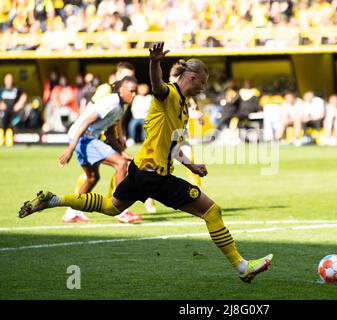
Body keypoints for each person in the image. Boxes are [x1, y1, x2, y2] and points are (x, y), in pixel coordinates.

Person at [19, 42, 273, 283]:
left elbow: (171, 144)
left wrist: (190, 166)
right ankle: (242, 266)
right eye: (203, 83)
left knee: (111, 207)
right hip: (155, 176)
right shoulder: (169, 94)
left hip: (141, 170)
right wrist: (154, 63)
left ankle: (52, 200)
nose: (204, 88)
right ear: (192, 78)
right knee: (212, 211)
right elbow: (157, 84)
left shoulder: (183, 108)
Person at [63, 62, 143, 223]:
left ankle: (71, 213)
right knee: (121, 165)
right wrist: (70, 149)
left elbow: (109, 133)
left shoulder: (120, 106)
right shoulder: (112, 101)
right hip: (83, 137)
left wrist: (122, 151)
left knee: (92, 177)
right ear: (121, 89)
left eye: (135, 92)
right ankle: (121, 210)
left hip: (84, 138)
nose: (133, 95)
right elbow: (85, 122)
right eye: (131, 91)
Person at [0, 73, 27, 147]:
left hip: (13, 112)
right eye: (7, 79)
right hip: (3, 112)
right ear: (5, 80)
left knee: (12, 125)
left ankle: (10, 142)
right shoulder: (2, 89)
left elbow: (24, 95)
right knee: (2, 124)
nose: (9, 81)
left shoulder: (16, 89)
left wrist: (19, 104)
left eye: (10, 79)